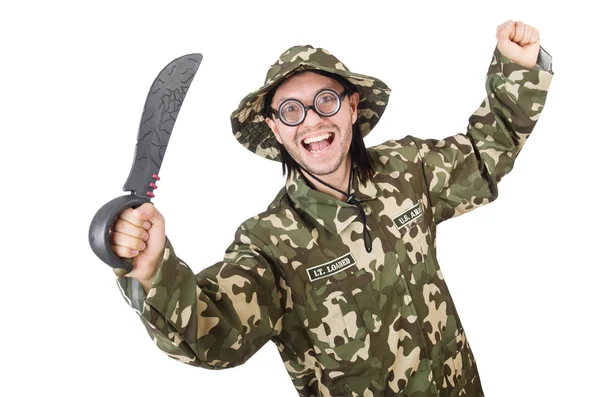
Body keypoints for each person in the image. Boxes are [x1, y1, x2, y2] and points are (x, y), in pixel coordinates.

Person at [110, 20, 553, 397]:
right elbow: (217, 337)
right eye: (290, 110)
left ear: (352, 106)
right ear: (276, 130)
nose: (312, 121)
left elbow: (484, 153)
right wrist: (153, 273)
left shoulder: (406, 169)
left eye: (326, 100)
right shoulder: (268, 242)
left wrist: (517, 67)